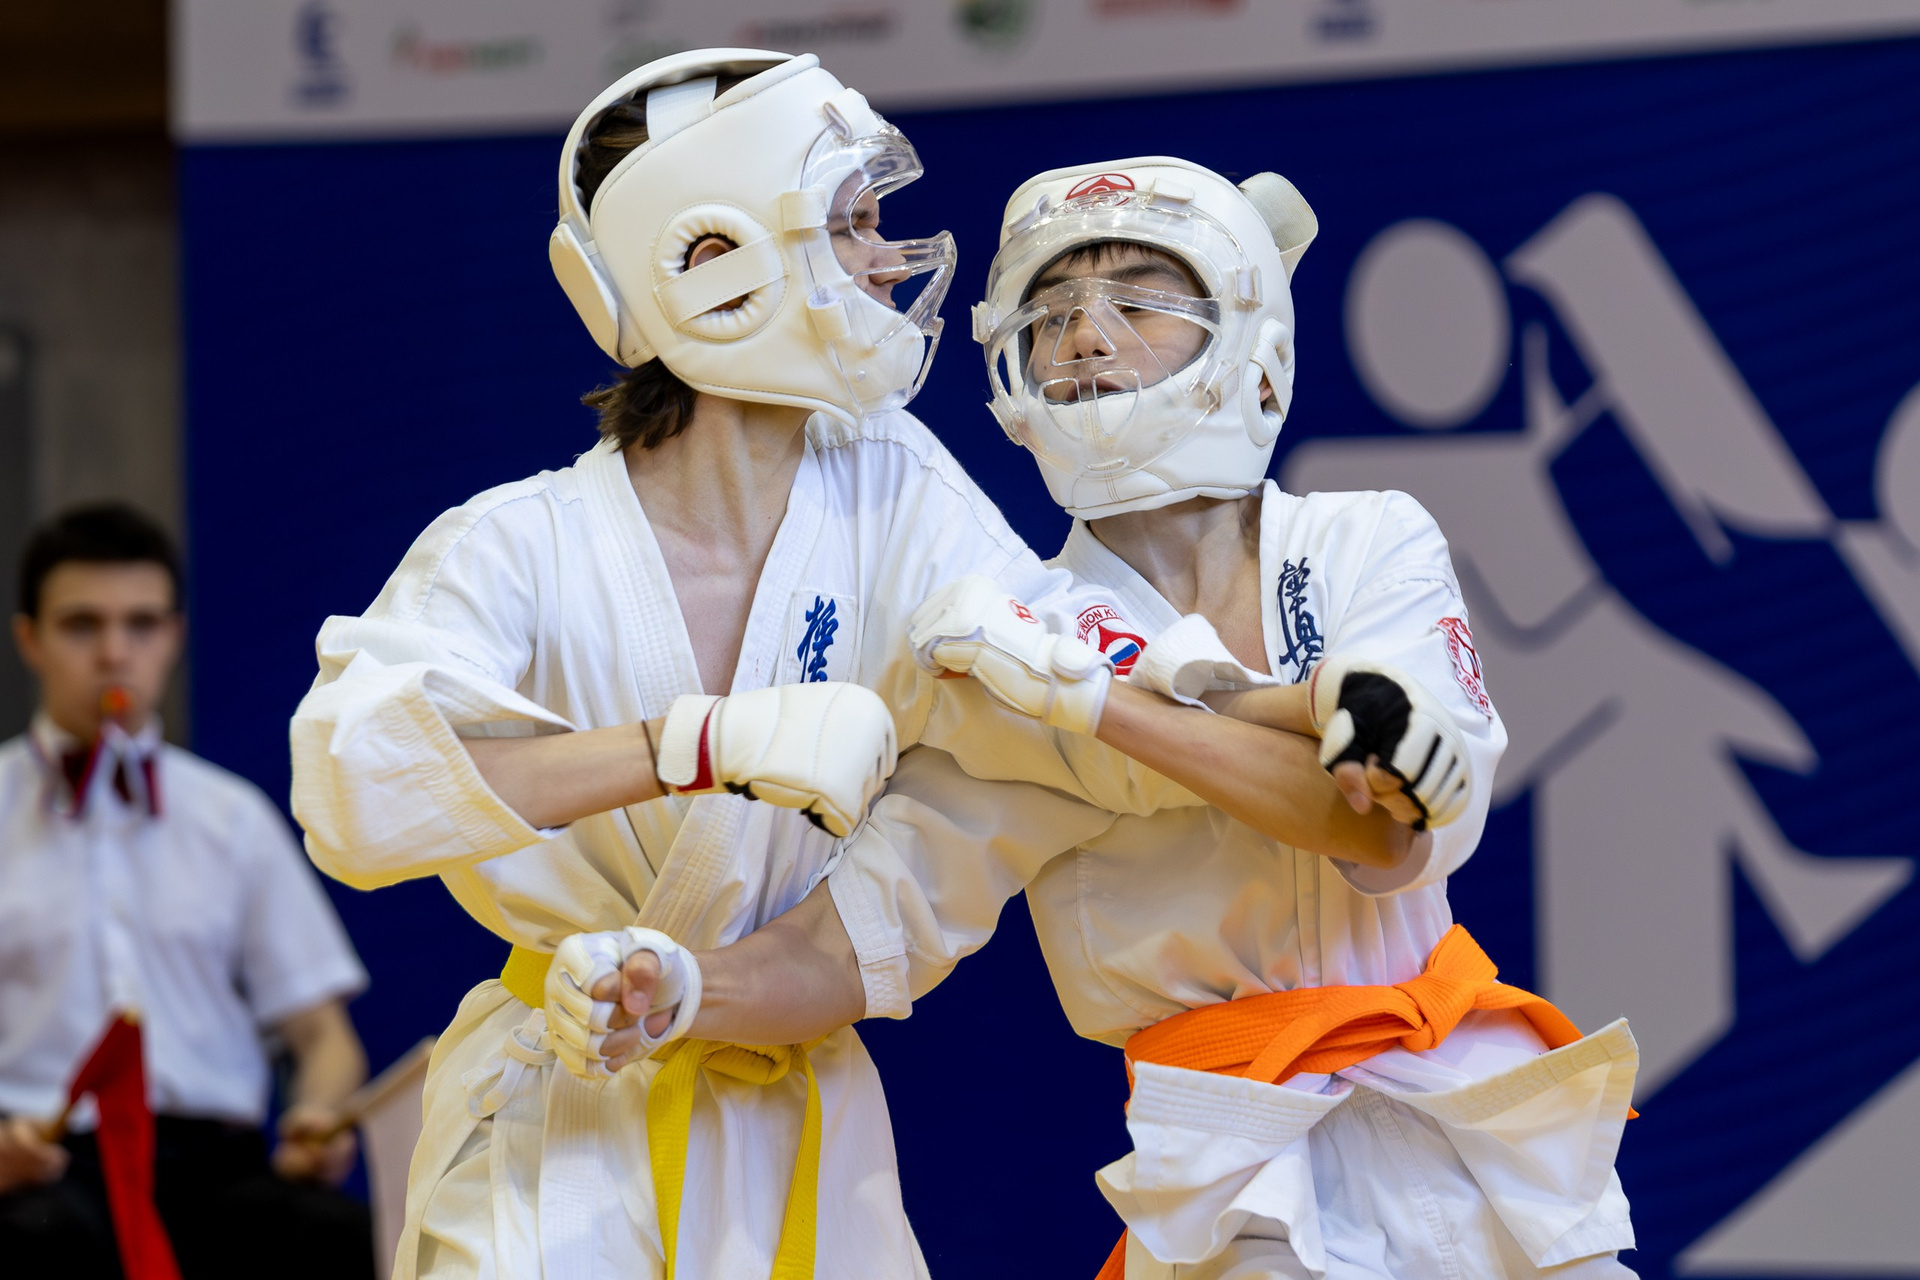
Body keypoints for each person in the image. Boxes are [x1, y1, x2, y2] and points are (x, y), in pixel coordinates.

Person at [613, 158, 1641, 1279]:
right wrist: (680, 988)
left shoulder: (1367, 537)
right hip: (1230, 1174)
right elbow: (855, 937)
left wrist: (1098, 703)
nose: (1085, 340)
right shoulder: (1008, 638)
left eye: (1139, 304)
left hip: (1476, 1123)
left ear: (1253, 341)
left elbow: (1386, 829)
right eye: (1052, 314)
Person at [0, 503, 373, 1280]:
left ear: (173, 636)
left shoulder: (232, 817)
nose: (114, 653)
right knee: (38, 1241)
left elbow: (323, 1036)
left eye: (141, 624)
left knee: (331, 1235)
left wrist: (318, 1112)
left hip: (213, 1167)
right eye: (81, 625)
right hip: (43, 1164)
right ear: (29, 639)